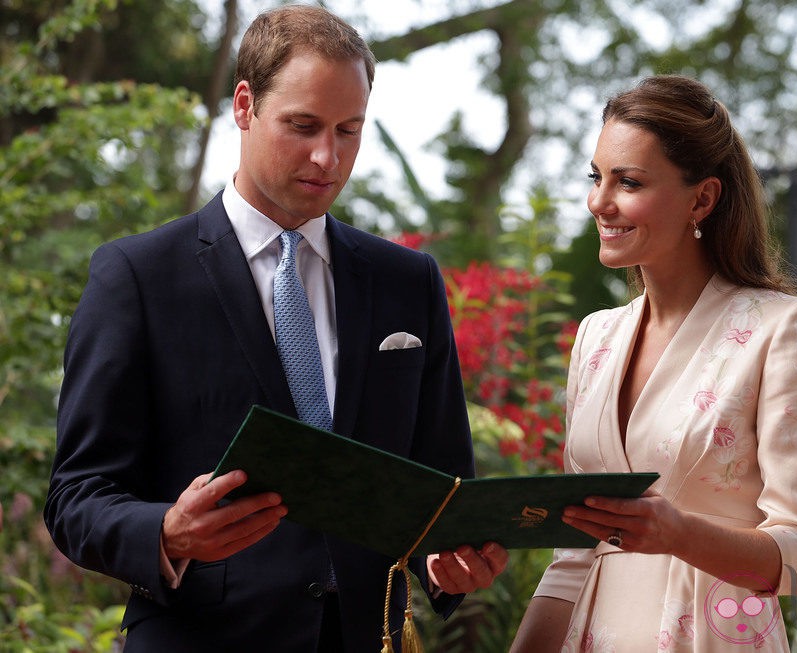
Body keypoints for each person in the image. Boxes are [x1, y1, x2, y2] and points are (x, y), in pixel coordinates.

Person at [44, 6, 507, 652]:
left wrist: (447, 560)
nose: (329, 155)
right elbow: (76, 496)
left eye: (350, 130)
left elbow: (444, 487)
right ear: (243, 105)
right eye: (303, 126)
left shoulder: (409, 283)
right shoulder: (136, 278)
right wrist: (167, 532)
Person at [510, 75, 797, 652]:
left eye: (628, 182)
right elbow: (572, 556)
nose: (599, 202)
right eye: (597, 177)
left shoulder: (785, 327)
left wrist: (681, 534)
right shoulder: (596, 338)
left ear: (703, 198)